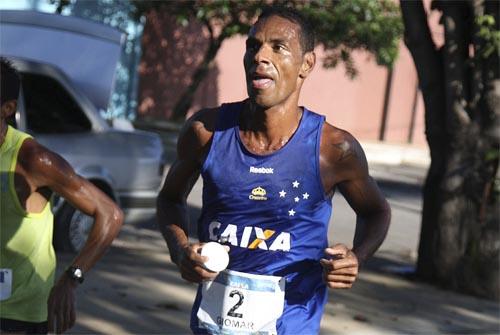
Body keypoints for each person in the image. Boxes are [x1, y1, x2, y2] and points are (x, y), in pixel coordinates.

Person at [157, 6, 391, 335]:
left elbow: (376, 211)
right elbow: (169, 199)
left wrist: (357, 257)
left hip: (291, 324)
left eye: (278, 47)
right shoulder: (206, 132)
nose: (260, 56)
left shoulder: (333, 150)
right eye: (253, 46)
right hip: (212, 326)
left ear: (306, 64)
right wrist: (180, 250)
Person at [0, 58, 123, 334]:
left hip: (19, 315)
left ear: (7, 109)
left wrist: (72, 278)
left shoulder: (33, 159)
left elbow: (110, 214)